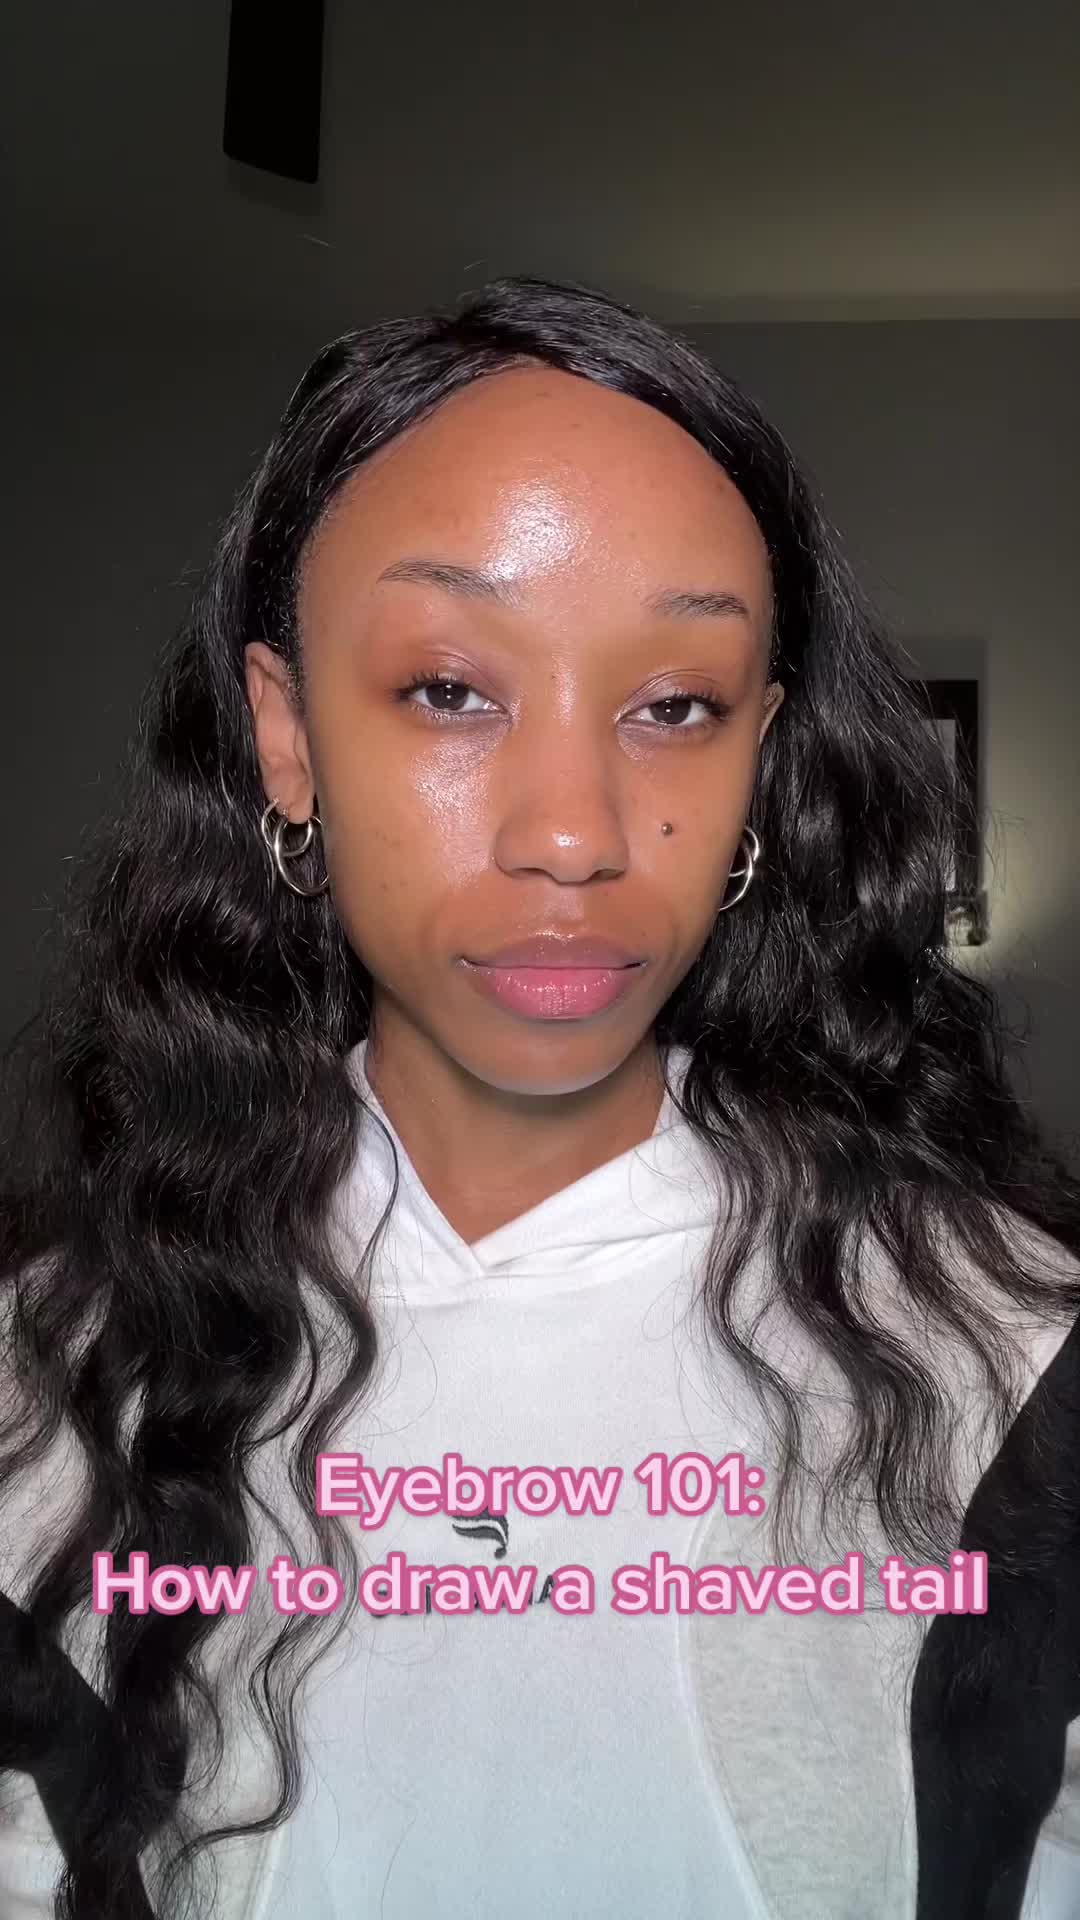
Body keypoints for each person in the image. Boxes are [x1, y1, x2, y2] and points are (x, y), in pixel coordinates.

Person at [1, 274, 1079, 1920]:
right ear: (288, 737)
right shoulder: (45, 1400)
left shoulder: (1018, 1371)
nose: (573, 832)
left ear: (761, 756)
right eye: (450, 690)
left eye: (675, 706)